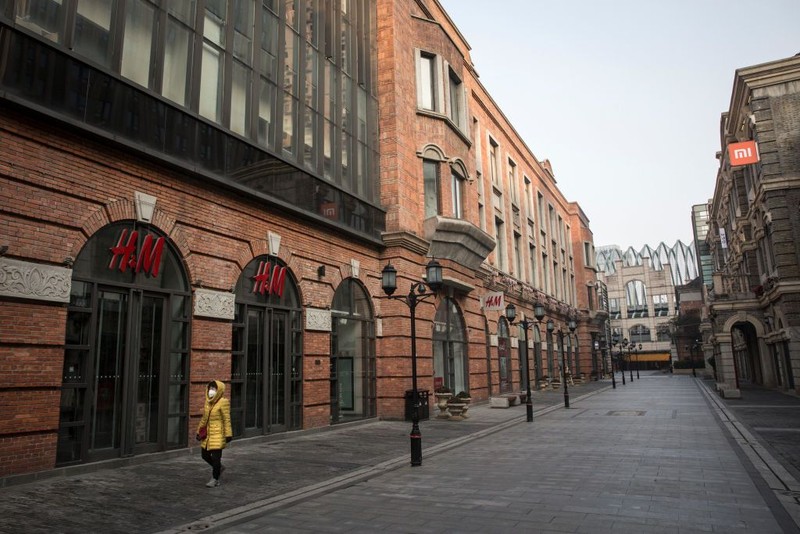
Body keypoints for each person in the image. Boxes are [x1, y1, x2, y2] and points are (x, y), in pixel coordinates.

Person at [196, 380, 232, 488]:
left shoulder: (223, 402)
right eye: (210, 388)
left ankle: (215, 479)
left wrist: (228, 434)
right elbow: (204, 419)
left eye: (214, 389)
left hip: (218, 434)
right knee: (204, 455)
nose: (211, 391)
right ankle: (219, 468)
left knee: (216, 458)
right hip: (208, 434)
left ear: (219, 390)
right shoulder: (208, 403)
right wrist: (199, 431)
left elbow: (226, 419)